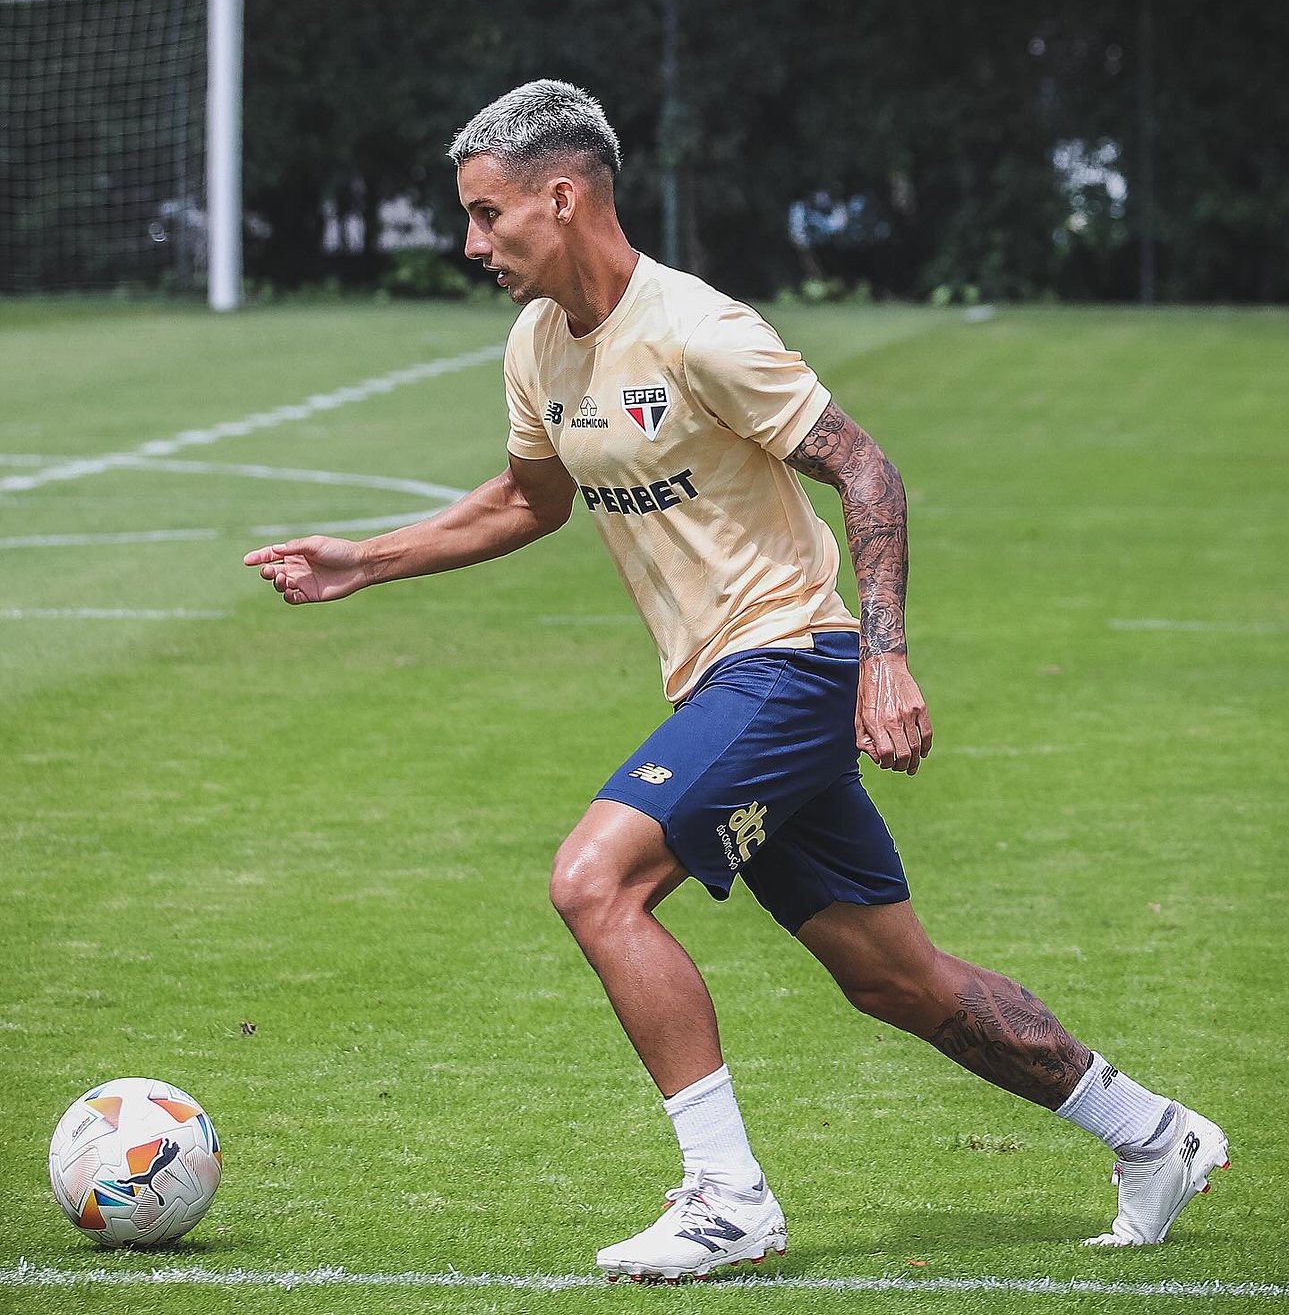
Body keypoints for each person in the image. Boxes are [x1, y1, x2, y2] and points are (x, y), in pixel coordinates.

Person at [245, 80, 1228, 1284]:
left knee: (593, 880)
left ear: (561, 197)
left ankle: (727, 1200)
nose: (471, 244)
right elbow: (524, 502)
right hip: (721, 685)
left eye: (488, 215)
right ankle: (1151, 1133)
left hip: (791, 666)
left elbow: (864, 469)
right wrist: (366, 560)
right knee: (892, 977)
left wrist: (883, 657)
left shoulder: (701, 329)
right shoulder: (538, 343)